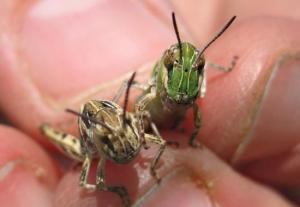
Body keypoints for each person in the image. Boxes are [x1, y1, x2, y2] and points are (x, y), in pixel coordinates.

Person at [0, 1, 299, 206]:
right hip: (100, 133)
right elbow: (135, 104)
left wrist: (227, 70)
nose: (186, 72)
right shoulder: (144, 87)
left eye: (195, 69)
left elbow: (206, 78)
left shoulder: (199, 85)